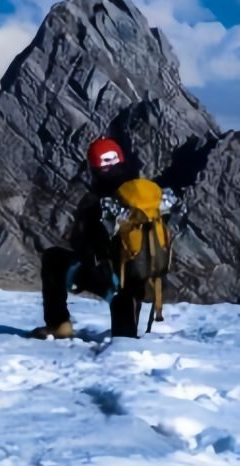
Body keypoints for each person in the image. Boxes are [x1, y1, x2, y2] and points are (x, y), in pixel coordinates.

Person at [30, 137, 176, 340]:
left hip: (112, 280)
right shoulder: (146, 195)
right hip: (149, 277)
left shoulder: (97, 199)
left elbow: (79, 242)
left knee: (53, 259)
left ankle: (58, 324)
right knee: (125, 299)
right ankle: (128, 339)